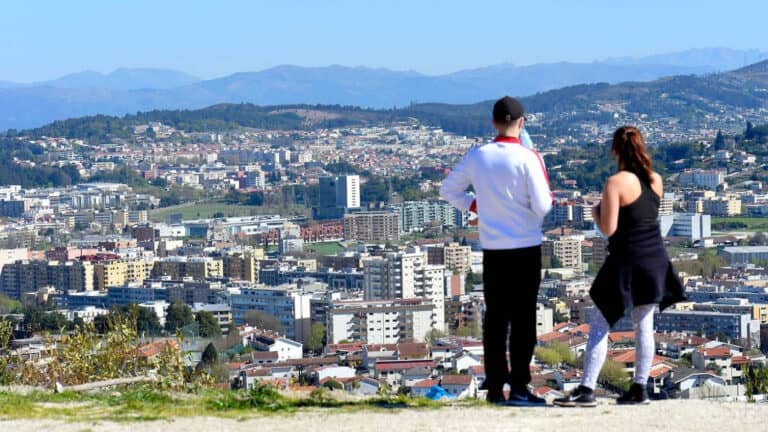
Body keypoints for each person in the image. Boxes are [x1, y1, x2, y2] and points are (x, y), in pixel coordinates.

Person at [554, 126, 686, 408]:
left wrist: (594, 212)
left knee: (600, 323)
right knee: (644, 326)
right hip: (654, 260)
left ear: (616, 150)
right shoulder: (656, 180)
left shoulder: (615, 183)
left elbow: (609, 229)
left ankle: (587, 388)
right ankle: (640, 387)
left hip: (626, 260)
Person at [440, 96, 553, 405]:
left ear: (493, 122)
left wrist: (475, 205)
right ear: (522, 122)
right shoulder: (530, 158)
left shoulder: (478, 156)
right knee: (523, 320)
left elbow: (448, 190)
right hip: (526, 246)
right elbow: (543, 205)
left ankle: (494, 388)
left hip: (492, 249)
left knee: (496, 320)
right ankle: (519, 386)